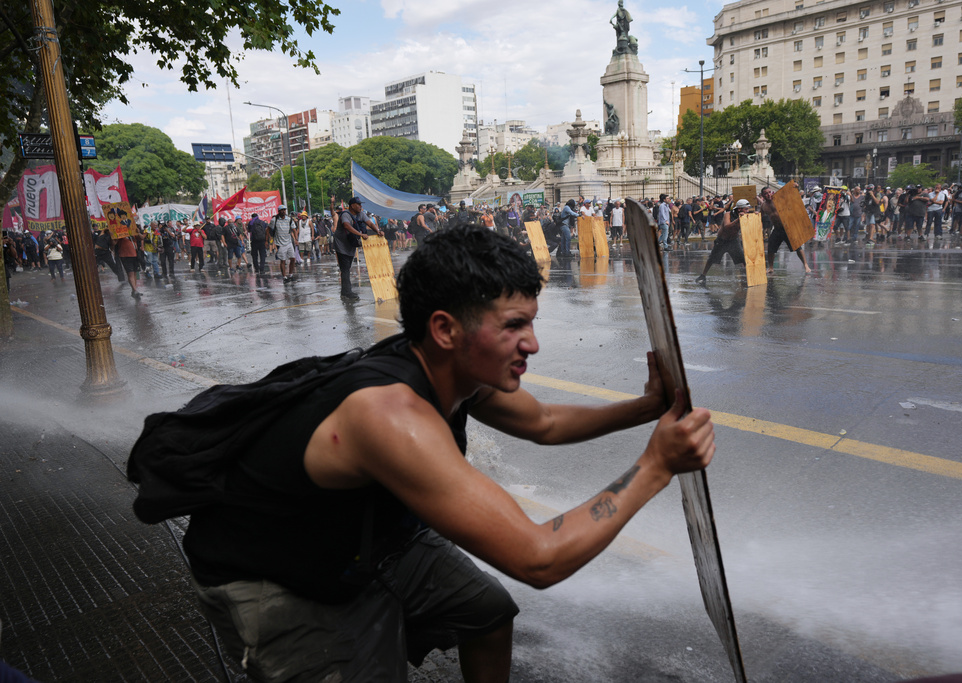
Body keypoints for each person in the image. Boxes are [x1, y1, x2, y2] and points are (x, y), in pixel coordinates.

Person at [181, 224, 717, 683]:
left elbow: (545, 423)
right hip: (275, 575)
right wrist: (655, 467)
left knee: (484, 611)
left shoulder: (453, 367)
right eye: (513, 326)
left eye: (531, 322)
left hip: (364, 534)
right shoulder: (391, 419)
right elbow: (537, 557)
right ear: (444, 328)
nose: (532, 344)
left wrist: (646, 408)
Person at [333, 196, 381, 300]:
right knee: (345, 268)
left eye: (360, 204)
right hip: (341, 244)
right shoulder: (345, 214)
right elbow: (346, 226)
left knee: (347, 267)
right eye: (358, 204)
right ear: (352, 206)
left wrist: (378, 231)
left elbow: (370, 223)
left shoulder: (361, 214)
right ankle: (347, 293)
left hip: (351, 243)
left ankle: (344, 291)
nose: (360, 206)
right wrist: (360, 234)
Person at [695, 198, 752, 284]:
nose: (748, 211)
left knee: (742, 260)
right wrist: (738, 219)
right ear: (739, 209)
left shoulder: (746, 216)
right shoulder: (728, 214)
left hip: (734, 240)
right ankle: (703, 275)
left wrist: (756, 216)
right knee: (712, 259)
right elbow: (727, 226)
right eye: (746, 209)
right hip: (722, 241)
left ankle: (745, 278)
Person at [761, 188, 811, 275]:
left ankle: (806, 265)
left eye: (769, 192)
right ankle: (771, 268)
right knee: (771, 248)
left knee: (797, 247)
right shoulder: (763, 206)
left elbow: (791, 200)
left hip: (788, 227)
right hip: (777, 229)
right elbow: (760, 216)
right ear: (763, 196)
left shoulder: (778, 200)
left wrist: (794, 187)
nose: (768, 194)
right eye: (766, 193)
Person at [270, 205, 298, 283]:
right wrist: (267, 240)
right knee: (283, 260)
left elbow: (294, 229)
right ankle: (284, 276)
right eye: (282, 210)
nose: (283, 211)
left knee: (293, 259)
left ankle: (291, 274)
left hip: (289, 242)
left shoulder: (289, 219)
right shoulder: (274, 220)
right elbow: (268, 229)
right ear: (279, 211)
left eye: (284, 210)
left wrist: (296, 239)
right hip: (280, 244)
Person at [114, 232, 144, 298]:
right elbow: (114, 243)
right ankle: (134, 290)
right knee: (130, 273)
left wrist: (137, 231)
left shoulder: (132, 232)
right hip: (125, 256)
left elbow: (142, 237)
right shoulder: (120, 234)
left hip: (135, 255)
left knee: (135, 272)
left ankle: (134, 290)